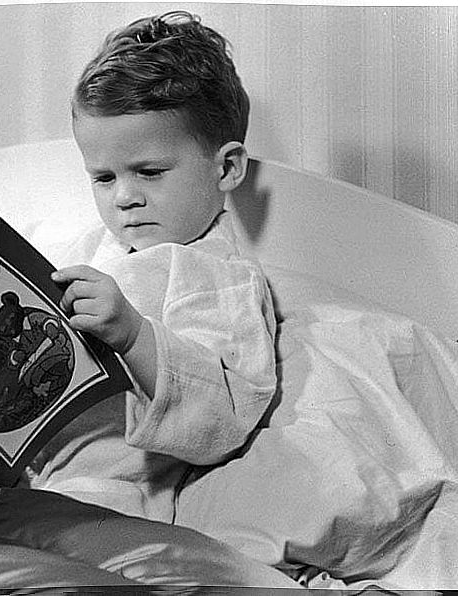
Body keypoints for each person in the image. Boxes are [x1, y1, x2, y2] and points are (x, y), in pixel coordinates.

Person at [17, 10, 278, 524]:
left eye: (149, 173)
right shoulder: (90, 247)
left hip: (113, 495)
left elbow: (225, 416)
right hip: (21, 471)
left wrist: (135, 336)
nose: (125, 198)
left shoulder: (219, 278)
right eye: (103, 178)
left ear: (226, 168)